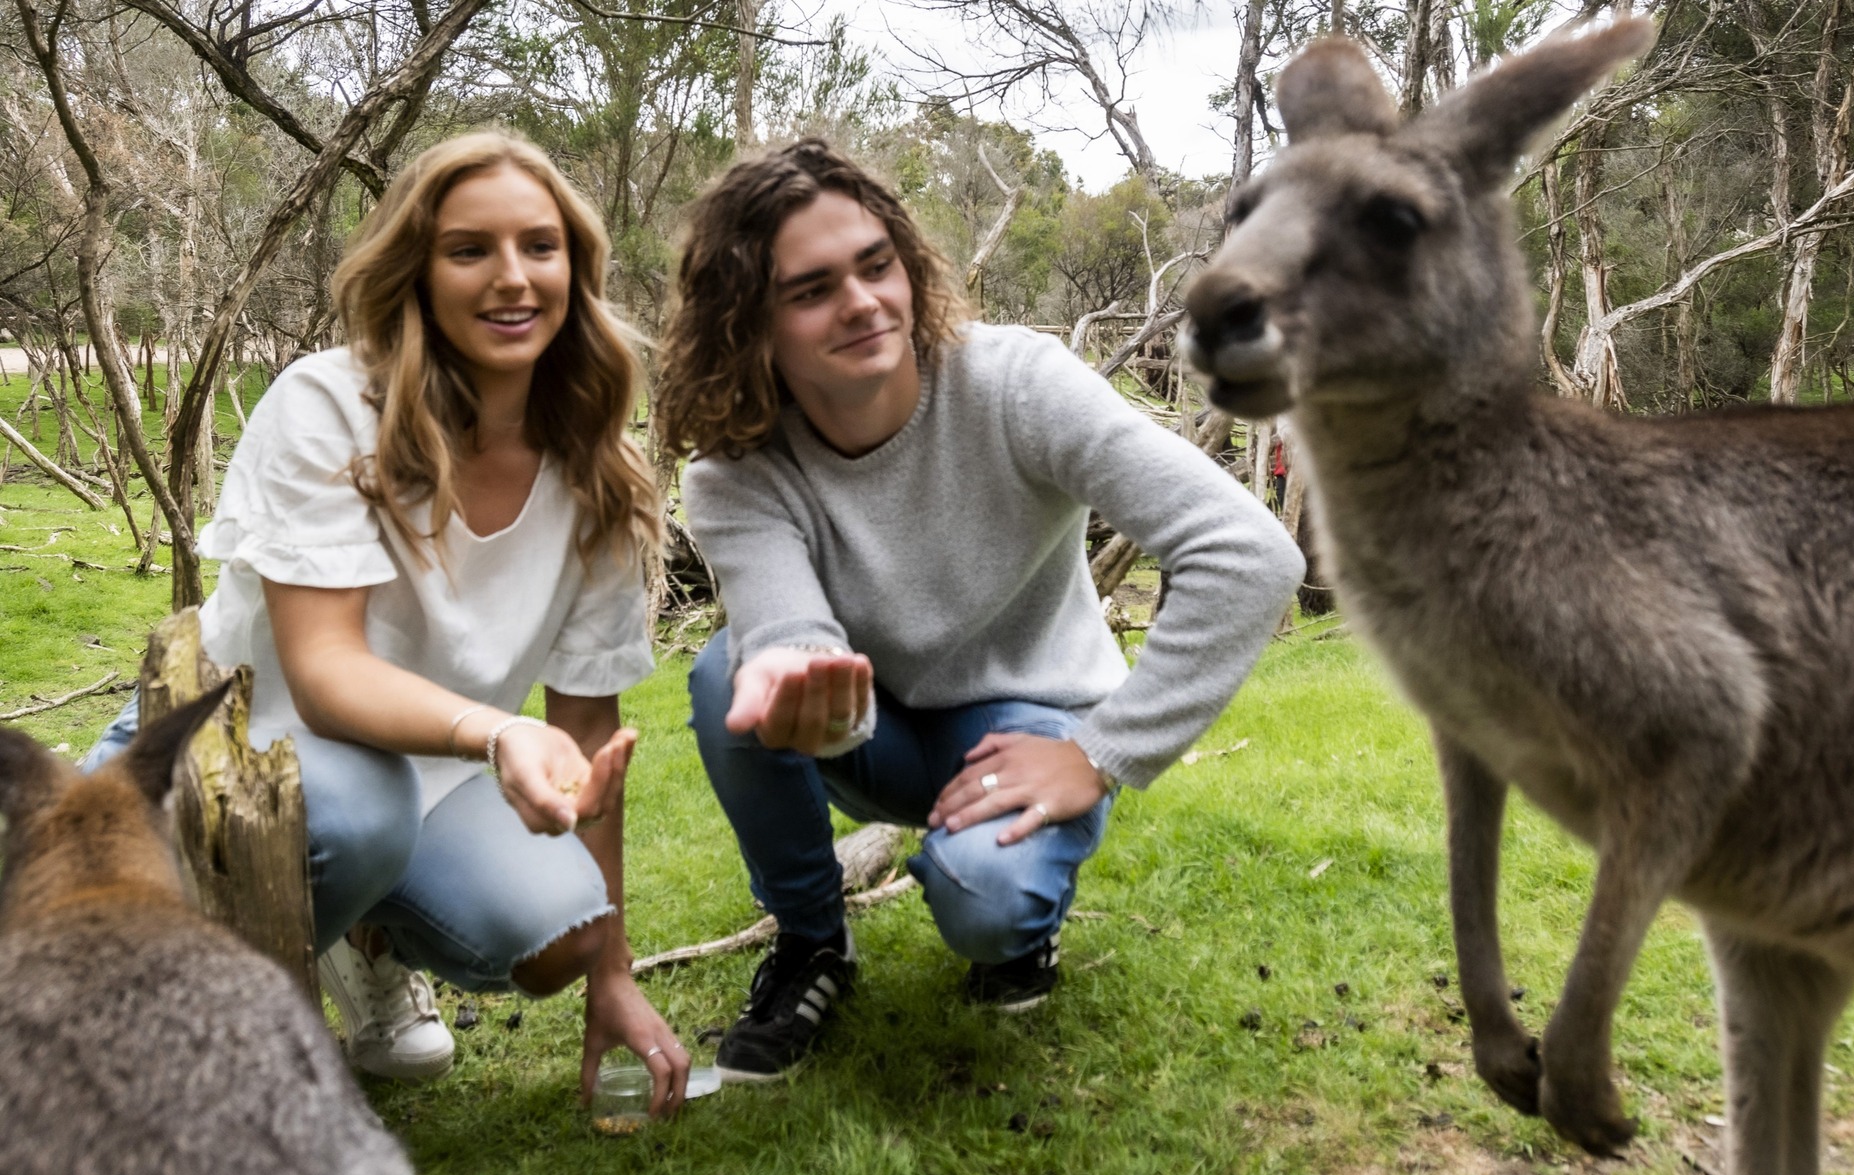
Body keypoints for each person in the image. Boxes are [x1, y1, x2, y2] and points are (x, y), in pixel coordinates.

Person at [653, 139, 1305, 1083]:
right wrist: (786, 671)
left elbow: (1247, 553)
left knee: (988, 903)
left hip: (1027, 717)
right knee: (727, 673)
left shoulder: (1014, 385)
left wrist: (1102, 751)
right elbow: (786, 627)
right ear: (748, 323)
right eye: (811, 290)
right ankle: (810, 945)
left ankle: (1012, 928)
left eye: (876, 265)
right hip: (866, 727)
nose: (864, 302)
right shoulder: (736, 470)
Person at [82, 132, 691, 1116]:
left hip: (424, 772)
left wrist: (610, 976)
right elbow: (323, 672)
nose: (512, 278)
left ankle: (357, 936)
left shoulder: (603, 480)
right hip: (241, 736)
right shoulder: (331, 405)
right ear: (416, 269)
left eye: (541, 246)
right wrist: (499, 729)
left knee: (561, 924)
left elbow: (588, 741)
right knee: (358, 808)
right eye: (468, 250)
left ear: (577, 267)